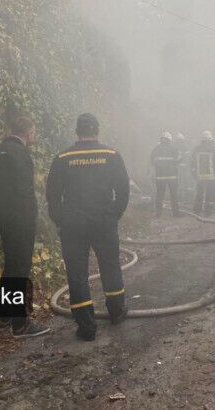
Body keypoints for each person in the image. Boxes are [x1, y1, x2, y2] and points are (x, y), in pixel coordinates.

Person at [46, 113, 130, 341]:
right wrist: (113, 214)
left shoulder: (62, 157)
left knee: (77, 273)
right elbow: (123, 190)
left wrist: (61, 219)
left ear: (77, 131)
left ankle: (86, 327)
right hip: (104, 222)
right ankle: (116, 312)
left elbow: (52, 196)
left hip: (73, 224)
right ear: (97, 130)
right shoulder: (111, 155)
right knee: (110, 266)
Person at [0, 117, 50, 339]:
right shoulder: (21, 154)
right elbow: (26, 191)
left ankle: (3, 316)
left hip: (4, 217)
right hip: (21, 220)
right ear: (28, 131)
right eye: (33, 131)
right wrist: (32, 217)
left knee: (11, 265)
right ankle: (20, 324)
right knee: (20, 269)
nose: (33, 136)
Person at [150, 132, 181, 217]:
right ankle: (176, 213)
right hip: (172, 176)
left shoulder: (156, 149)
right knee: (174, 195)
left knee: (160, 194)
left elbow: (152, 161)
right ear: (169, 139)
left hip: (160, 177)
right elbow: (179, 159)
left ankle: (158, 214)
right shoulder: (174, 148)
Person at [191, 130, 215, 216]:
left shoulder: (196, 149)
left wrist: (194, 174)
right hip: (211, 177)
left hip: (200, 177)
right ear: (210, 139)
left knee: (199, 193)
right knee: (210, 193)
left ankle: (197, 209)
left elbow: (192, 162)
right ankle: (208, 211)